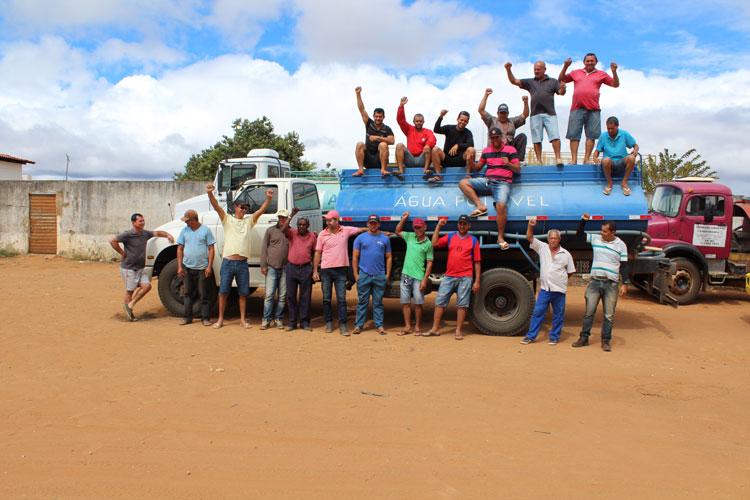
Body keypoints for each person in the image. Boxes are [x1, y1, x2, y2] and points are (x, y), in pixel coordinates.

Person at [206, 183, 274, 329]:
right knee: (223, 292)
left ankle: (243, 319)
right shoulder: (227, 219)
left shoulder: (249, 222)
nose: (244, 210)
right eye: (241, 207)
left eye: (245, 208)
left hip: (242, 263)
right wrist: (210, 193)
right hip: (228, 262)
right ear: (235, 208)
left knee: (243, 293)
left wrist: (268, 198)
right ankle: (220, 319)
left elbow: (261, 211)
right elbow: (216, 206)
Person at [573, 213, 629, 352]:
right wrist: (583, 221)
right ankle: (584, 338)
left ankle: (605, 340)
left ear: (612, 232)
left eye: (605, 231)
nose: (601, 233)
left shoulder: (620, 245)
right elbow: (579, 235)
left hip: (611, 284)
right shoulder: (596, 239)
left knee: (609, 315)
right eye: (601, 230)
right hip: (595, 283)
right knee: (588, 313)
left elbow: (625, 265)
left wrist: (625, 283)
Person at [459, 127, 521, 249]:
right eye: (492, 138)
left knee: (501, 205)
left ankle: (500, 237)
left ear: (501, 137)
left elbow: (518, 169)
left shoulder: (510, 149)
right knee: (463, 183)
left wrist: (508, 163)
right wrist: (471, 162)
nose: (495, 140)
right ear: (490, 138)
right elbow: (477, 167)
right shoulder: (486, 151)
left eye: (496, 137)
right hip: (488, 181)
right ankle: (480, 205)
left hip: (503, 183)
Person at [424, 215, 481, 340]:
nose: (462, 226)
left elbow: (477, 262)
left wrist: (477, 281)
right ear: (458, 224)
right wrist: (438, 226)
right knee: (439, 302)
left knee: (462, 304)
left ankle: (458, 330)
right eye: (460, 223)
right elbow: (434, 243)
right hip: (449, 276)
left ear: (469, 225)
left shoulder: (473, 240)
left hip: (466, 277)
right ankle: (435, 329)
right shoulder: (451, 236)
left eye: (464, 224)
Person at [520, 218, 575, 345]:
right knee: (537, 313)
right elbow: (529, 237)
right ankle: (531, 336)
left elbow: (571, 271)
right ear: (548, 239)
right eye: (551, 238)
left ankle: (554, 337)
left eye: (556, 238)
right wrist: (530, 226)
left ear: (559, 239)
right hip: (545, 289)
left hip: (559, 290)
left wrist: (561, 279)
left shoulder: (566, 254)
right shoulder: (542, 248)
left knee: (558, 315)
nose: (553, 240)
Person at [110, 213, 174, 321]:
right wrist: (121, 252)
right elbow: (113, 241)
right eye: (140, 221)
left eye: (143, 220)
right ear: (134, 223)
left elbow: (157, 233)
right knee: (130, 290)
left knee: (146, 286)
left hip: (140, 268)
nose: (143, 223)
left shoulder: (145, 233)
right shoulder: (128, 234)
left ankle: (129, 305)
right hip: (129, 268)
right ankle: (128, 312)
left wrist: (168, 235)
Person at [312, 210, 368, 335]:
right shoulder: (322, 234)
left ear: (337, 221)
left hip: (340, 271)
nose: (327, 222)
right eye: (327, 220)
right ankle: (329, 323)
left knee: (342, 299)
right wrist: (315, 270)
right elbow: (317, 253)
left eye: (330, 219)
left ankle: (343, 324)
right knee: (326, 298)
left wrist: (378, 231)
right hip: (326, 270)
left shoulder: (345, 230)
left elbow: (361, 230)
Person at [558, 53, 620, 165]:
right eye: (588, 60)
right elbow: (561, 79)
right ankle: (574, 159)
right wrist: (565, 66)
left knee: (591, 136)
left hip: (593, 108)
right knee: (574, 135)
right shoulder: (576, 73)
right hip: (577, 107)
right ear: (584, 62)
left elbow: (615, 84)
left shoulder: (601, 74)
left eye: (592, 61)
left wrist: (614, 72)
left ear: (596, 62)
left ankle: (587, 159)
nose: (590, 62)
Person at [505, 61, 566, 167]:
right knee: (536, 138)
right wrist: (508, 70)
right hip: (535, 114)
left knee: (555, 136)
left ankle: (558, 158)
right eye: (535, 69)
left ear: (544, 70)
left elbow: (561, 92)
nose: (536, 71)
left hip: (550, 113)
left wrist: (564, 89)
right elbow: (514, 81)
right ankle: (538, 160)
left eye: (538, 69)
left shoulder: (552, 81)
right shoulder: (530, 82)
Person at [351, 215, 392, 336]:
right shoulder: (360, 238)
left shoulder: (385, 239)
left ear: (379, 224)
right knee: (362, 301)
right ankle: (358, 325)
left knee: (378, 302)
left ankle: (379, 326)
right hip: (364, 274)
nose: (373, 225)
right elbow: (355, 257)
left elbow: (389, 257)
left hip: (379, 275)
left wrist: (387, 274)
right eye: (371, 223)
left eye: (375, 223)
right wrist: (356, 274)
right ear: (367, 224)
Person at [394, 212, 434, 336]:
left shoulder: (428, 244)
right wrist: (404, 219)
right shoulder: (410, 237)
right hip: (406, 275)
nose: (417, 230)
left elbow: (429, 263)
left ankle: (417, 327)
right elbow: (397, 231)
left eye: (419, 227)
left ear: (425, 227)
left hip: (418, 277)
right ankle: (407, 327)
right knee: (405, 302)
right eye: (415, 227)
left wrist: (424, 280)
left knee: (418, 304)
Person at [176, 209, 216, 327]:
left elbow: (211, 248)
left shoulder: (205, 231)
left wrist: (209, 266)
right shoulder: (184, 231)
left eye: (187, 221)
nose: (186, 223)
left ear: (193, 220)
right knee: (187, 293)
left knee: (203, 293)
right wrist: (179, 266)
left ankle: (205, 317)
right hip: (187, 266)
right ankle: (187, 317)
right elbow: (180, 248)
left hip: (202, 267)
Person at [284, 207, 317, 332]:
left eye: (303, 225)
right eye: (299, 225)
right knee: (291, 296)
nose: (301, 227)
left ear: (308, 226)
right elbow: (283, 229)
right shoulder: (292, 233)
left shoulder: (312, 237)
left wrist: (314, 269)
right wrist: (292, 215)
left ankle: (304, 322)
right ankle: (292, 322)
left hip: (305, 269)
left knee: (305, 297)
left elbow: (315, 253)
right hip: (292, 268)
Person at [260, 208, 293, 330]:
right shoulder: (270, 231)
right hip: (272, 267)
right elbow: (264, 249)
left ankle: (278, 318)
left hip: (285, 268)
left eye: (284, 218)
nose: (281, 220)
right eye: (280, 217)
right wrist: (263, 265)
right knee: (269, 295)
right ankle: (266, 319)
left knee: (282, 296)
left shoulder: (291, 232)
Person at [353, 86, 396, 179]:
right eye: (376, 116)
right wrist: (358, 94)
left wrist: (377, 138)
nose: (378, 118)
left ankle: (383, 170)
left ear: (383, 117)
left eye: (380, 116)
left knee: (383, 144)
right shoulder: (369, 124)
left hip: (379, 160)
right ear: (373, 116)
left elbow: (392, 141)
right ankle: (361, 170)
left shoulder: (387, 129)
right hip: (367, 159)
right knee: (359, 144)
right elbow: (362, 109)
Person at [478, 88, 529, 161]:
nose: (503, 115)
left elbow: (525, 115)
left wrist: (525, 103)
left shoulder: (512, 121)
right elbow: (481, 110)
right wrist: (486, 95)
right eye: (501, 113)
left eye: (504, 113)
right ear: (498, 113)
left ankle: (519, 160)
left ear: (507, 113)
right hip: (496, 148)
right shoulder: (492, 120)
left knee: (522, 136)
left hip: (509, 148)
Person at [594, 116, 639, 196]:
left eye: (612, 128)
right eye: (608, 128)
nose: (610, 131)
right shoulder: (603, 136)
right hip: (609, 164)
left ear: (617, 126)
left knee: (631, 158)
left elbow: (635, 145)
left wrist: (635, 151)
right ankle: (609, 183)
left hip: (622, 162)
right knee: (605, 160)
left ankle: (624, 182)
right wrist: (595, 158)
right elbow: (597, 150)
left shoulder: (624, 134)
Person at [430, 109, 476, 182]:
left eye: (465, 121)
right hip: (447, 158)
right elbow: (436, 129)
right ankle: (438, 176)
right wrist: (441, 116)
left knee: (471, 150)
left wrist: (458, 145)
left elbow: (471, 144)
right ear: (457, 119)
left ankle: (468, 175)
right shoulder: (449, 128)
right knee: (435, 149)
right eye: (461, 120)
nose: (463, 122)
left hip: (460, 160)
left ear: (467, 122)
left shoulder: (468, 132)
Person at [395, 96, 437, 176]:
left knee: (429, 147)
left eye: (421, 121)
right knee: (399, 145)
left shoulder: (427, 131)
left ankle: (425, 170)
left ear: (423, 122)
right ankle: (400, 171)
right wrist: (401, 106)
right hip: (410, 159)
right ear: (413, 122)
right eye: (417, 121)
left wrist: (428, 145)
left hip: (422, 159)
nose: (419, 123)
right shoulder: (409, 129)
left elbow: (432, 139)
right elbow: (401, 121)